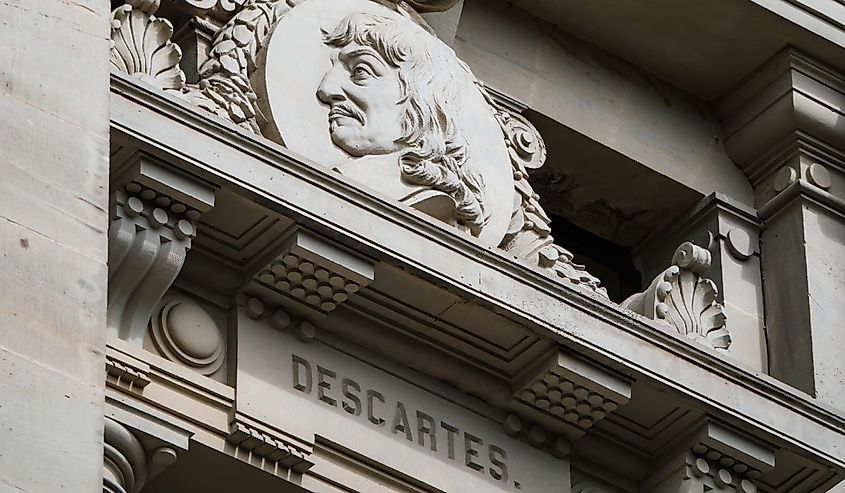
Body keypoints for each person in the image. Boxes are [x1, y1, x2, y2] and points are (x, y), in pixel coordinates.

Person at [316, 11, 488, 236]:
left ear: (424, 98)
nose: (327, 89)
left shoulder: (430, 199)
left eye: (361, 71)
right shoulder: (350, 174)